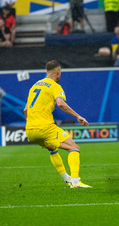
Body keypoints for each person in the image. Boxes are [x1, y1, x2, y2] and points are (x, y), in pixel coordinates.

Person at [23, 60, 91, 188]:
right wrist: (78, 116)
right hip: (45, 127)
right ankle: (76, 182)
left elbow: (25, 110)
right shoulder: (55, 86)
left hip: (30, 130)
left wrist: (31, 124)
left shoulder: (34, 86)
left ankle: (67, 179)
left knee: (52, 148)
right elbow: (60, 103)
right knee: (74, 148)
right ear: (58, 72)